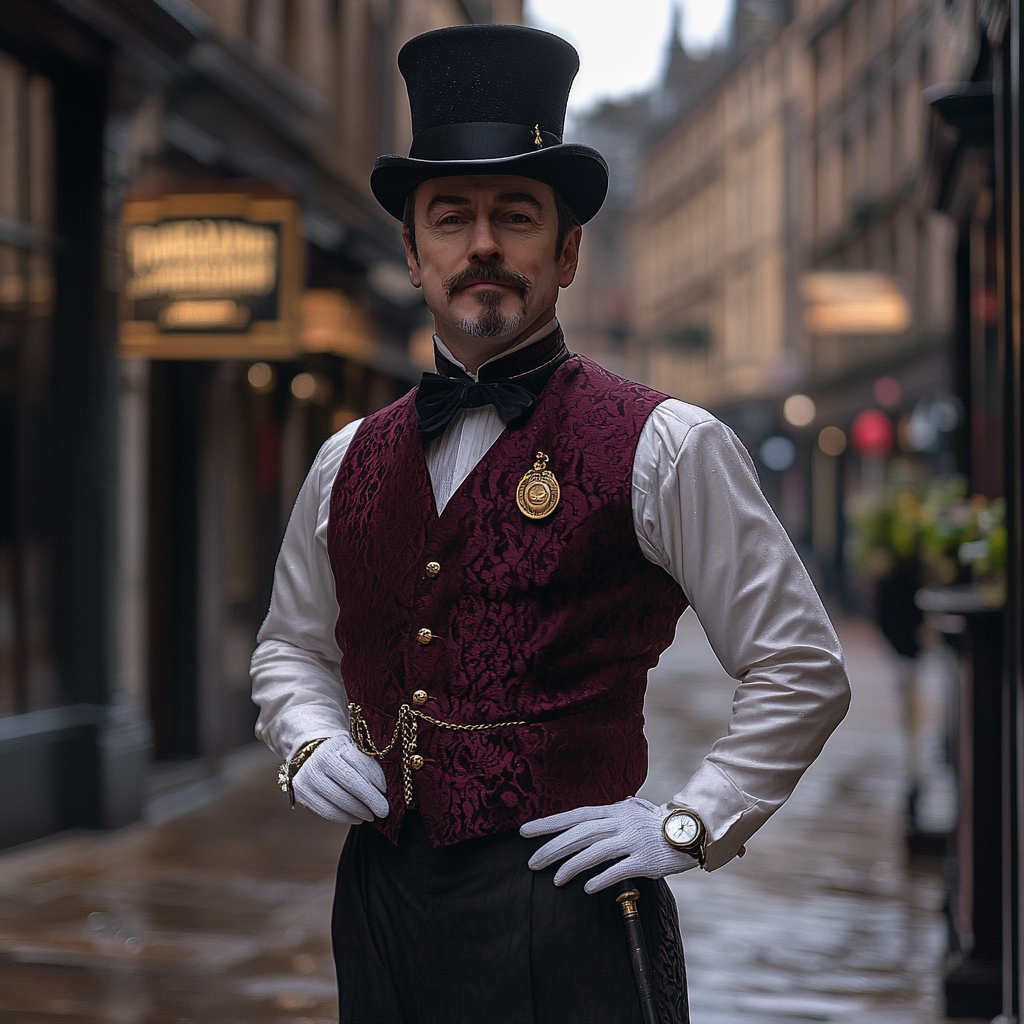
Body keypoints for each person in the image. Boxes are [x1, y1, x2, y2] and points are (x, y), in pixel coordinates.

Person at [251, 23, 850, 1024]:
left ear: (568, 251)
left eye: (515, 217)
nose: (481, 245)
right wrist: (308, 740)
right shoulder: (342, 458)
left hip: (568, 913)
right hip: (381, 905)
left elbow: (800, 664)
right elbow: (287, 647)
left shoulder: (667, 443)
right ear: (411, 251)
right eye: (450, 217)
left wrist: (694, 822)